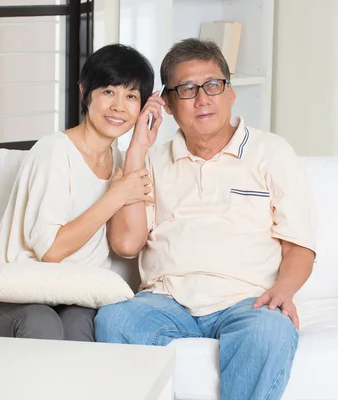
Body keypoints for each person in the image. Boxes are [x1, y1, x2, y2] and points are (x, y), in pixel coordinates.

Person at [95, 38, 317, 399]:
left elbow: (300, 246)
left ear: (230, 93)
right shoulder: (151, 160)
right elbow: (125, 243)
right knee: (115, 321)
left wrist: (283, 291)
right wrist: (136, 150)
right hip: (166, 301)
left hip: (247, 300)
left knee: (269, 332)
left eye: (213, 85)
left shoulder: (271, 153)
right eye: (186, 89)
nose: (202, 99)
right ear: (166, 103)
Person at [0, 44, 157, 342]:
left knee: (86, 325)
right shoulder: (54, 151)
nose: (119, 106)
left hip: (70, 292)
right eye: (108, 91)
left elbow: (128, 244)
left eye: (131, 96)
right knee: (43, 324)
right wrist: (114, 197)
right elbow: (50, 251)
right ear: (85, 93)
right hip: (11, 291)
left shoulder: (122, 161)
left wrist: (137, 148)